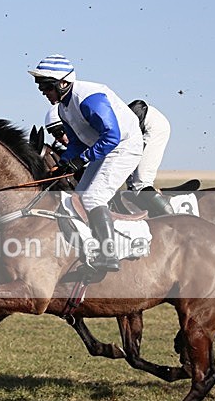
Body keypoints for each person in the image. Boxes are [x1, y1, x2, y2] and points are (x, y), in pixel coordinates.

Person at [29, 54, 140, 272]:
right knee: (77, 198)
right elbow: (77, 143)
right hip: (105, 148)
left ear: (63, 83)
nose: (43, 91)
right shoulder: (63, 108)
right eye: (40, 86)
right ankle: (91, 248)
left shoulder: (89, 98)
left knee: (93, 198)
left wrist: (81, 160)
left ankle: (109, 255)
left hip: (123, 146)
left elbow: (112, 136)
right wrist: (63, 164)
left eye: (47, 86)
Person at [44, 100, 174, 216]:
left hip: (150, 126)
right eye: (54, 135)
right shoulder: (83, 125)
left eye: (59, 132)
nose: (58, 139)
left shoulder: (88, 123)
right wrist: (62, 164)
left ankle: (172, 218)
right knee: (131, 187)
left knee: (140, 183)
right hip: (133, 133)